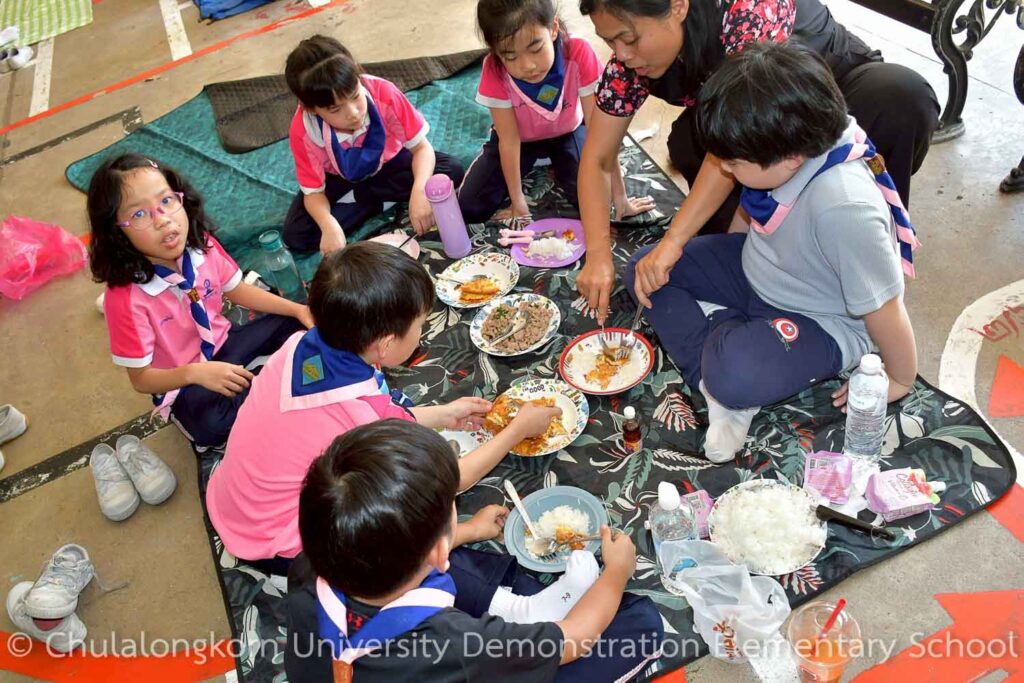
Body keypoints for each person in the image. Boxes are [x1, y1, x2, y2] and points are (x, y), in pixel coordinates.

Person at [625, 41, 919, 463]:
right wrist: (727, 259)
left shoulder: (844, 206)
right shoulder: (784, 147)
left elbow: (885, 305)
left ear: (791, 157)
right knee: (644, 269)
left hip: (821, 317)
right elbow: (757, 211)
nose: (724, 168)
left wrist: (900, 377)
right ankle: (717, 380)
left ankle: (724, 377)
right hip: (764, 270)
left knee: (735, 371)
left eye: (733, 162)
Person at [205, 242, 562, 573]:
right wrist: (516, 431)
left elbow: (372, 413)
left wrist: (443, 414)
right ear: (386, 344)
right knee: (393, 525)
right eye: (420, 325)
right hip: (281, 542)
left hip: (236, 501)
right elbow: (449, 478)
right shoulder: (359, 418)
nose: (421, 333)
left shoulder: (300, 344)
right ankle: (462, 535)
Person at [575, 0, 939, 323]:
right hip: (761, 134)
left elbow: (745, 118)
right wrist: (598, 254)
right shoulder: (628, 67)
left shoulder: (749, 9)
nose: (622, 54)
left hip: (836, 97)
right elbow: (597, 158)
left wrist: (673, 241)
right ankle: (774, 264)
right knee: (692, 144)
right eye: (610, 42)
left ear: (677, 6)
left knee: (902, 100)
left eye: (629, 38)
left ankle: (872, 268)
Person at [285, 419, 664, 682]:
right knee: (642, 623)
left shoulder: (310, 566)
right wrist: (616, 572)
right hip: (467, 662)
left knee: (454, 565)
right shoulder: (460, 646)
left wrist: (466, 532)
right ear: (436, 548)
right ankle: (529, 620)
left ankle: (524, 612)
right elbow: (574, 639)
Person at [88, 154, 311, 449]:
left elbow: (236, 290)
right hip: (184, 380)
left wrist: (298, 309)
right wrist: (195, 373)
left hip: (225, 342)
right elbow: (141, 379)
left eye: (167, 200)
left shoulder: (200, 244)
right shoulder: (125, 300)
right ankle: (272, 381)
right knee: (210, 426)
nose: (163, 219)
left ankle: (260, 387)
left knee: (298, 321)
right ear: (116, 231)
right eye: (139, 214)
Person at [459, 0, 654, 225]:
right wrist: (518, 201)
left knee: (596, 198)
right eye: (510, 57)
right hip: (520, 141)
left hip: (568, 131)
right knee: (469, 207)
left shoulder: (578, 52)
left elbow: (600, 133)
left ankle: (561, 161)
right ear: (495, 51)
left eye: (535, 49)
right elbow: (509, 141)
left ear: (553, 28)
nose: (528, 66)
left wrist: (621, 197)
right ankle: (547, 162)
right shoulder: (494, 69)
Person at [282, 35, 465, 254]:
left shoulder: (384, 93)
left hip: (387, 163)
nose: (353, 113)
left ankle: (361, 202)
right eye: (335, 109)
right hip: (339, 177)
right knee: (297, 234)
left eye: (355, 96)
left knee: (450, 170)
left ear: (358, 75)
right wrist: (329, 225)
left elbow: (422, 149)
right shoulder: (303, 130)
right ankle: (377, 199)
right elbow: (313, 193)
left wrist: (419, 191)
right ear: (311, 109)